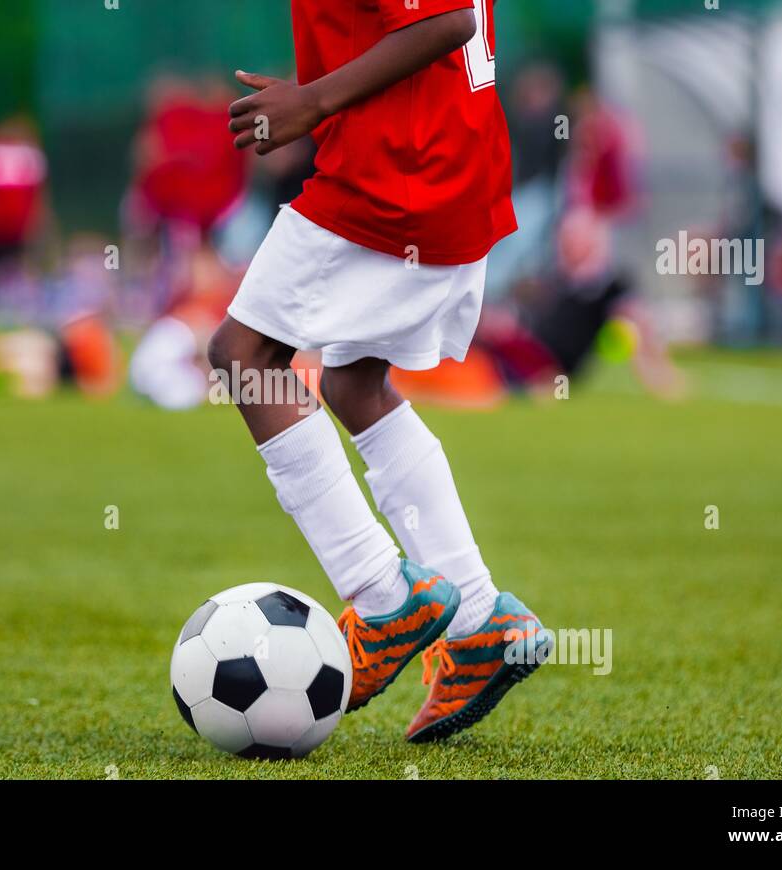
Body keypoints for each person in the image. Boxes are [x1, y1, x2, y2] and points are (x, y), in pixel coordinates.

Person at [209, 0, 551, 743]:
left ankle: (381, 598)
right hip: (440, 164)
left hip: (405, 174)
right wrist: (324, 101)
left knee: (244, 357)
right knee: (352, 381)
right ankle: (478, 617)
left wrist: (314, 99)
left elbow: (448, 19)